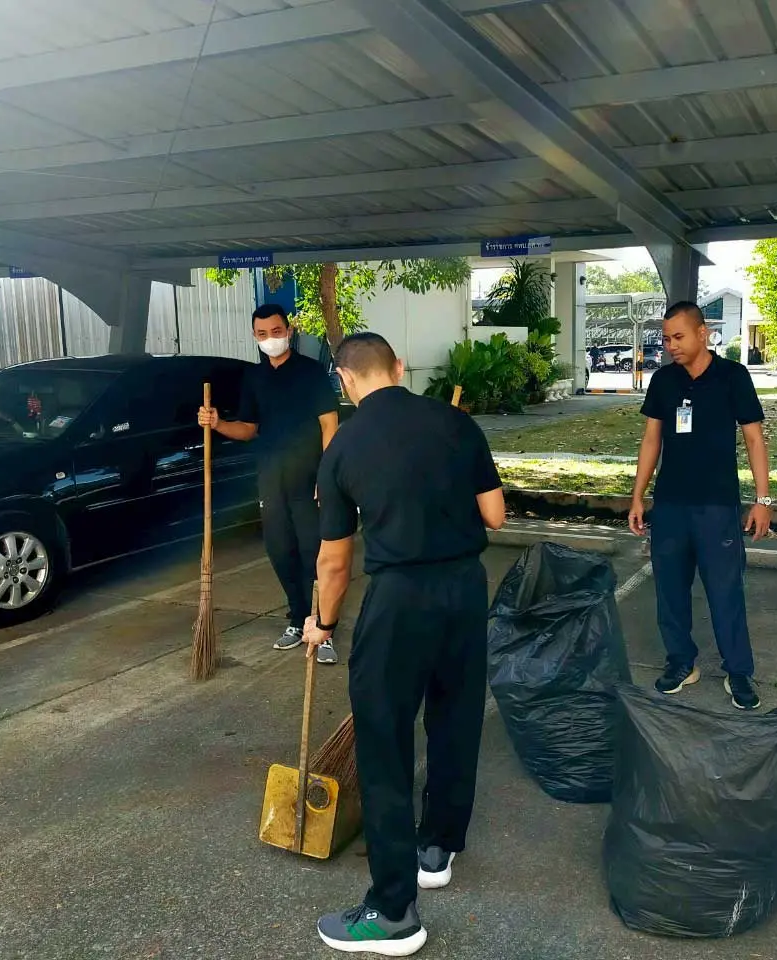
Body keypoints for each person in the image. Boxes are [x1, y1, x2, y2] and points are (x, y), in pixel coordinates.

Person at [303, 332, 506, 956]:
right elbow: (495, 515)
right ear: (398, 366)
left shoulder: (341, 449)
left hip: (399, 601)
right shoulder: (456, 423)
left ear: (345, 381)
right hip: (464, 590)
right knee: (455, 718)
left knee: (384, 742)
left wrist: (322, 623)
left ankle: (393, 913)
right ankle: (437, 848)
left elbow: (335, 563)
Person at [628, 300, 773, 711]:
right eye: (666, 339)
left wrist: (763, 499)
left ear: (702, 333)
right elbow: (651, 440)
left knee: (725, 593)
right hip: (670, 506)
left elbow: (754, 439)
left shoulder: (732, 377)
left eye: (678, 337)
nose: (671, 345)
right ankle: (681, 662)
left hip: (716, 507)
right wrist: (638, 496)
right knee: (670, 591)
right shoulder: (663, 381)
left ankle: (738, 671)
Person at [197, 303, 341, 663]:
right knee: (280, 551)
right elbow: (248, 429)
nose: (270, 339)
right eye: (262, 334)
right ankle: (297, 618)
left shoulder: (310, 372)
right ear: (254, 336)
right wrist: (217, 423)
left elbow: (329, 424)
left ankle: (323, 628)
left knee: (314, 553)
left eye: (276, 332)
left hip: (309, 479)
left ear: (288, 331)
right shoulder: (255, 377)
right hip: (271, 479)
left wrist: (327, 475)